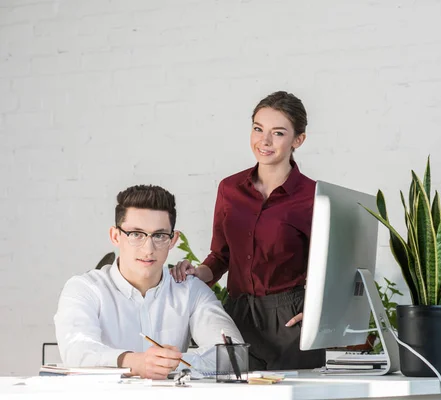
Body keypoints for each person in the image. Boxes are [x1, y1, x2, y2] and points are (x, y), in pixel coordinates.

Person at [171, 91, 325, 370]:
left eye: (278, 133)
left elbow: (333, 267)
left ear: (298, 140)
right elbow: (220, 257)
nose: (264, 141)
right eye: (258, 129)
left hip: (289, 322)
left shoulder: (314, 196)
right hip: (237, 317)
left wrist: (319, 311)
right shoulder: (229, 189)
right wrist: (196, 272)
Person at [54, 185, 243, 379]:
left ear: (172, 240)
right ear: (115, 236)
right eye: (136, 234)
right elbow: (76, 350)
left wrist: (172, 363)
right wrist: (134, 363)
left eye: (159, 235)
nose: (148, 249)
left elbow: (234, 354)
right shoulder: (84, 289)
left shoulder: (190, 290)